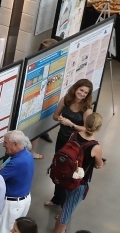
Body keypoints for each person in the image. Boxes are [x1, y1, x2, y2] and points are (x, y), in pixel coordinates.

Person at [46, 113, 104, 233]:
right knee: (67, 209)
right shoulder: (95, 147)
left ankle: (62, 228)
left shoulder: (74, 135)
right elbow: (98, 164)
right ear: (98, 128)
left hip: (66, 175)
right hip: (79, 182)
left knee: (66, 202)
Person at [46, 79, 94, 207]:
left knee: (70, 172)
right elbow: (55, 116)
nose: (82, 94)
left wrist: (71, 124)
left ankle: (65, 205)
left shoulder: (87, 109)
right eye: (81, 90)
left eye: (85, 92)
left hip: (76, 144)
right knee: (58, 167)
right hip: (62, 139)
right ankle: (57, 198)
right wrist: (61, 119)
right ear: (76, 88)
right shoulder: (66, 99)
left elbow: (88, 129)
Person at [0, 131, 35, 233]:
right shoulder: (27, 155)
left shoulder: (16, 163)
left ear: (15, 144)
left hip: (11, 204)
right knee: (15, 229)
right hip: (24, 199)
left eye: (6, 143)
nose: (3, 145)